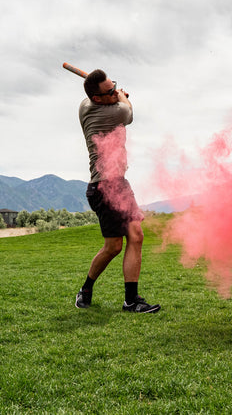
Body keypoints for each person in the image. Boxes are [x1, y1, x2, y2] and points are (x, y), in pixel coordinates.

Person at [75, 69, 160, 313]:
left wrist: (115, 93)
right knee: (113, 247)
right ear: (98, 99)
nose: (114, 92)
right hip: (104, 187)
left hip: (118, 183)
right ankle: (86, 289)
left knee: (136, 236)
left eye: (115, 86)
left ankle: (131, 300)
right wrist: (122, 96)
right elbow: (128, 112)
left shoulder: (84, 105)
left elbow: (107, 97)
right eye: (108, 91)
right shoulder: (116, 111)